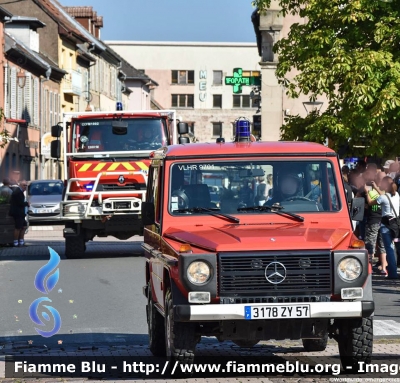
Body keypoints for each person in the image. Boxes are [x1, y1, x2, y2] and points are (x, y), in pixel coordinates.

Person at [365, 177, 399, 279]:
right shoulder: (397, 195)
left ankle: (393, 273)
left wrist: (367, 192)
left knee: (389, 249)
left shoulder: (383, 198)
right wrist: (376, 187)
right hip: (395, 225)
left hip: (386, 227)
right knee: (394, 248)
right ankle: (392, 270)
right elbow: (384, 196)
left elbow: (371, 202)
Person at [8, 180, 30, 247]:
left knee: (24, 226)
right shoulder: (17, 192)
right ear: (20, 185)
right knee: (18, 227)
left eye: (26, 185)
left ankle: (21, 241)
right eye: (24, 185)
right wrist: (27, 203)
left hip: (21, 213)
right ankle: (15, 242)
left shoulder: (20, 192)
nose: (25, 187)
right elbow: (19, 203)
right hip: (17, 213)